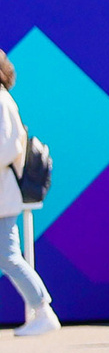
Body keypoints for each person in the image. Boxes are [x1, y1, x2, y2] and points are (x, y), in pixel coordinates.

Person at [0, 49, 57, 336]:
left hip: (3, 195)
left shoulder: (0, 100)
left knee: (8, 256)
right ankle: (42, 310)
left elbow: (9, 147)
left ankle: (43, 309)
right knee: (7, 255)